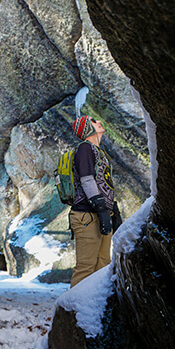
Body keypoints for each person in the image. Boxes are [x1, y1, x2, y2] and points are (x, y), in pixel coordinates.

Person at [69, 115, 122, 287]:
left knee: (103, 266)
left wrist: (113, 210)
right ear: (87, 128)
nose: (99, 122)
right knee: (86, 268)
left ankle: (95, 311)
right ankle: (73, 313)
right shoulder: (85, 148)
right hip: (87, 216)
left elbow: (104, 184)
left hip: (100, 215)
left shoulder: (99, 152)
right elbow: (87, 180)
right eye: (94, 121)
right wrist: (101, 209)